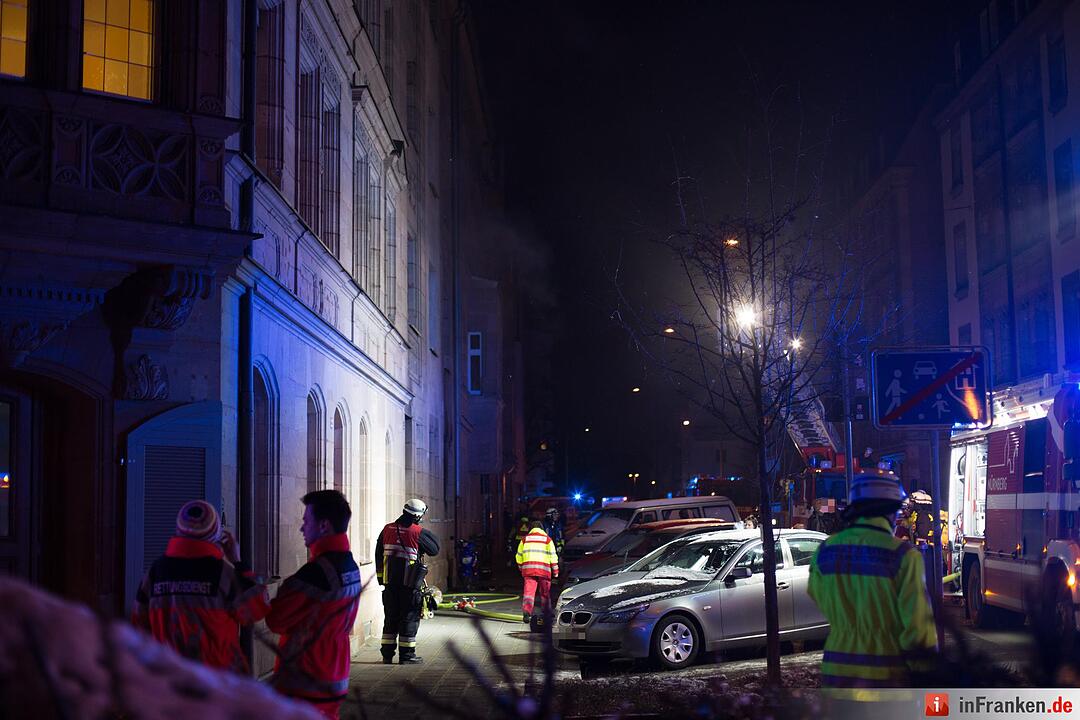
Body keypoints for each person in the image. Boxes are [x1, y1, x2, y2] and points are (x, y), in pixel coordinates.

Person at [808, 476, 937, 711]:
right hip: (888, 682)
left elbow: (818, 597)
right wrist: (927, 676)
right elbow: (918, 629)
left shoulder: (825, 551)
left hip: (836, 676)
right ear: (888, 511)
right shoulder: (903, 556)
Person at [132, 500, 270, 672]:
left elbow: (139, 624)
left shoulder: (154, 572)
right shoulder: (224, 573)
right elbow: (257, 609)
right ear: (216, 534)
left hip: (168, 677)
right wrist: (238, 562)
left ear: (179, 530)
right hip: (215, 680)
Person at [266, 490, 361, 720]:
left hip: (305, 676)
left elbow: (275, 620)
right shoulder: (350, 565)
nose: (301, 528)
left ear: (323, 526)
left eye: (306, 521)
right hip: (334, 672)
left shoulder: (315, 573)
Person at [375, 498, 440, 664]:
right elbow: (435, 549)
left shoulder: (387, 529)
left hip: (389, 584)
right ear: (417, 516)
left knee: (390, 618)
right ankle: (407, 655)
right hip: (409, 585)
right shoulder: (417, 532)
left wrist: (381, 578)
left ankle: (387, 655)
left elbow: (378, 554)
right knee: (409, 619)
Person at [515, 518, 559, 623]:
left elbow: (519, 556)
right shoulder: (547, 540)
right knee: (545, 593)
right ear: (542, 529)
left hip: (528, 570)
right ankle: (546, 612)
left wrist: (521, 568)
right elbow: (553, 556)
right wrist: (556, 572)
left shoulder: (524, 540)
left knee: (529, 592)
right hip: (543, 570)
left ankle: (527, 612)